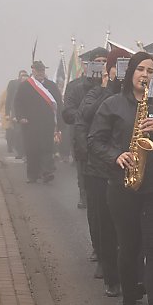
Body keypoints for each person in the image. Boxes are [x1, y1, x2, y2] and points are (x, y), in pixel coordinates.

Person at [89, 51, 153, 305]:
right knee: (129, 247)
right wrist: (115, 156)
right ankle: (129, 301)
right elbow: (95, 140)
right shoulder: (112, 104)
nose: (145, 75)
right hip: (123, 185)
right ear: (131, 73)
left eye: (151, 71)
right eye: (140, 69)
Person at [77, 47, 130, 296]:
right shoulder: (95, 92)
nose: (122, 73)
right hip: (100, 169)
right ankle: (109, 271)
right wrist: (108, 88)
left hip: (128, 168)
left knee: (128, 225)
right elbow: (85, 115)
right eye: (117, 67)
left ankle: (130, 272)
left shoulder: (136, 96)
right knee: (104, 222)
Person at [63, 47, 108, 209]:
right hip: (83, 135)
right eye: (98, 62)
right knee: (84, 169)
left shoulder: (114, 87)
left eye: (105, 62)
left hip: (105, 138)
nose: (102, 65)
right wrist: (85, 116)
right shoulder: (76, 87)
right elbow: (67, 112)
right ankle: (84, 195)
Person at [14, 61, 63, 183]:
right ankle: (33, 175)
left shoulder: (51, 86)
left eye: (42, 70)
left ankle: (47, 172)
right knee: (32, 149)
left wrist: (60, 122)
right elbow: (18, 103)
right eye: (38, 70)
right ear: (33, 71)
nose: (41, 72)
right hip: (30, 123)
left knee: (47, 148)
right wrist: (21, 117)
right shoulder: (25, 86)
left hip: (47, 123)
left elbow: (59, 104)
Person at [5, 70, 29, 158]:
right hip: (17, 115)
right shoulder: (15, 87)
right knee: (18, 134)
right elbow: (11, 102)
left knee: (26, 135)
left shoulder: (31, 88)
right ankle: (20, 152)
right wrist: (10, 114)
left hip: (28, 116)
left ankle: (26, 153)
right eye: (22, 77)